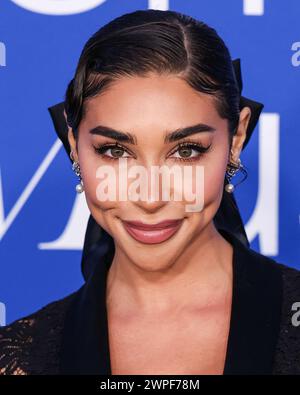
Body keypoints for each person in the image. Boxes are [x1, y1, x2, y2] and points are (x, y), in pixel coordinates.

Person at [1, 9, 300, 375]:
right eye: (115, 151)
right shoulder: (17, 357)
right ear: (75, 147)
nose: (150, 197)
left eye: (186, 151)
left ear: (236, 139)